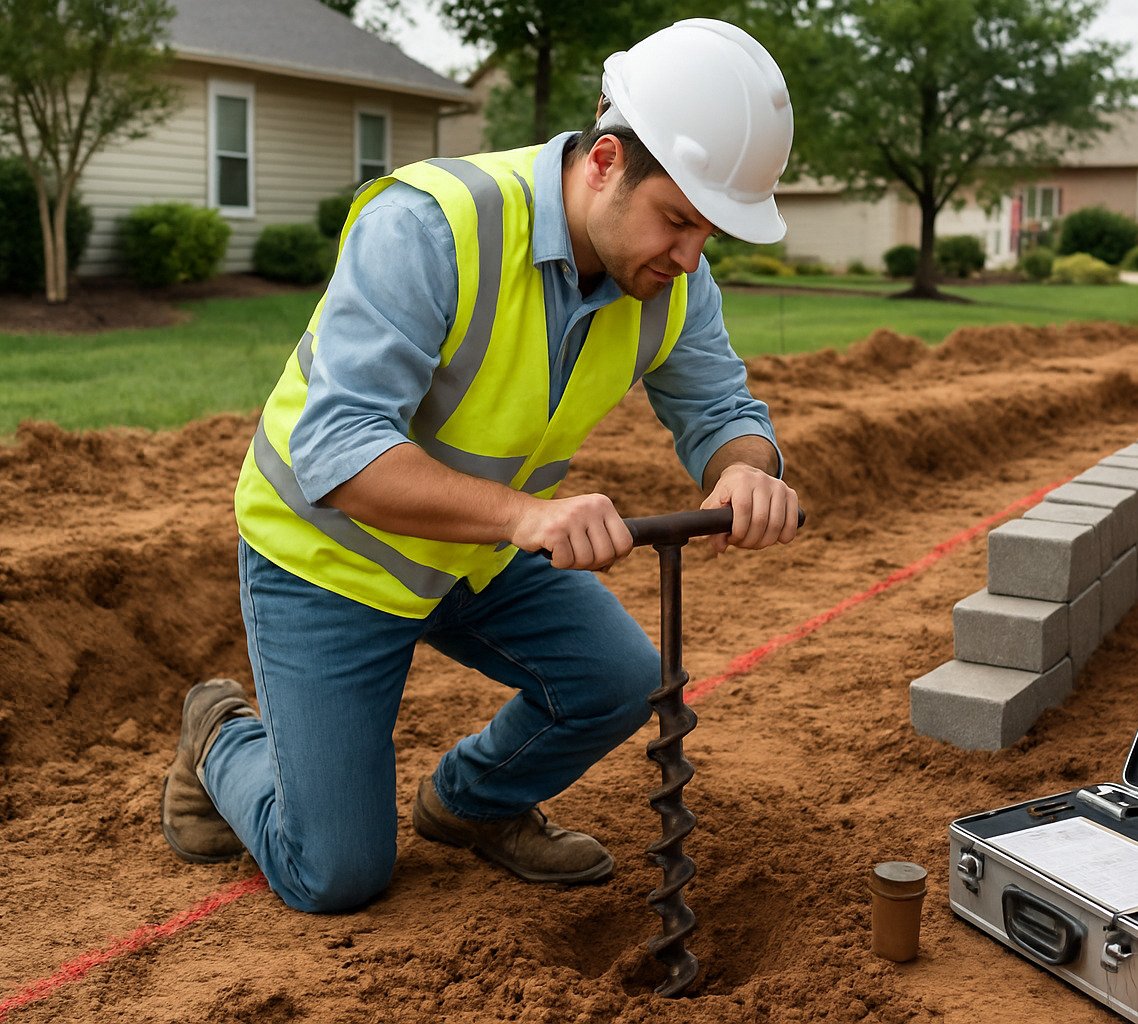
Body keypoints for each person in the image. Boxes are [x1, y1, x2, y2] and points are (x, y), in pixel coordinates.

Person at [159, 18, 800, 913]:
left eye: (710, 234)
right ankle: (221, 734)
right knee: (335, 874)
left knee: (618, 681)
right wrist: (523, 518)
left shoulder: (674, 281)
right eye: (680, 220)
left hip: (474, 554)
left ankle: (469, 805)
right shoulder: (431, 225)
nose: (691, 256)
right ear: (606, 161)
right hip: (331, 556)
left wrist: (745, 469)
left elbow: (726, 412)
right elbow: (339, 452)